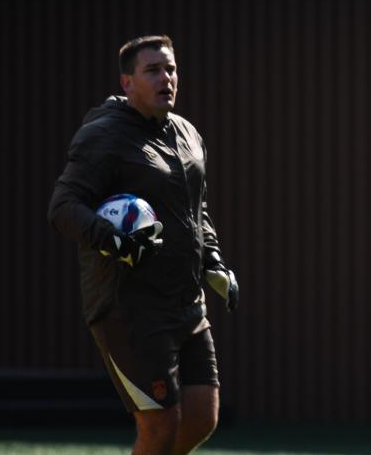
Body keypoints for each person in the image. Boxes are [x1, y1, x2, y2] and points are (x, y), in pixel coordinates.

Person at [49, 35, 239, 455]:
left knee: (202, 417)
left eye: (170, 69)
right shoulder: (104, 136)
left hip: (187, 302)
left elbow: (196, 208)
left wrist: (213, 260)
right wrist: (115, 240)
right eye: (152, 70)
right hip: (130, 308)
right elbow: (63, 207)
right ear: (127, 82)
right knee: (160, 426)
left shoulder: (187, 133)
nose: (165, 78)